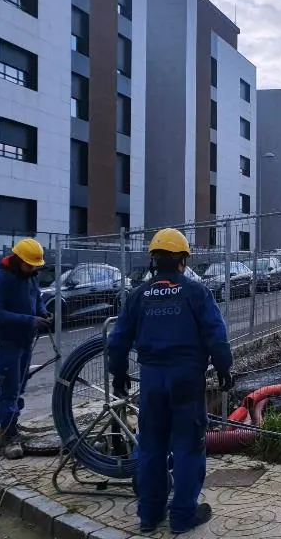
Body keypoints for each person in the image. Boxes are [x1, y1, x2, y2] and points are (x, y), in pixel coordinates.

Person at [107, 228, 234, 534]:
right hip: (186, 380)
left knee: (151, 447)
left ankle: (149, 517)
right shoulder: (196, 293)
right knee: (189, 447)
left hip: (151, 381)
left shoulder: (139, 296)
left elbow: (118, 339)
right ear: (182, 261)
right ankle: (182, 516)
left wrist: (119, 375)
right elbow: (215, 335)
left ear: (154, 261)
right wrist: (224, 368)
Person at [0, 238, 51, 459]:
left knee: (19, 386)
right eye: (29, 264)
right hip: (5, 343)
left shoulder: (29, 277)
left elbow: (37, 299)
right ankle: (7, 435)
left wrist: (42, 312)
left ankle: (13, 424)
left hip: (24, 340)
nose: (33, 268)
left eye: (35, 265)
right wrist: (29, 320)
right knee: (9, 389)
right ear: (18, 259)